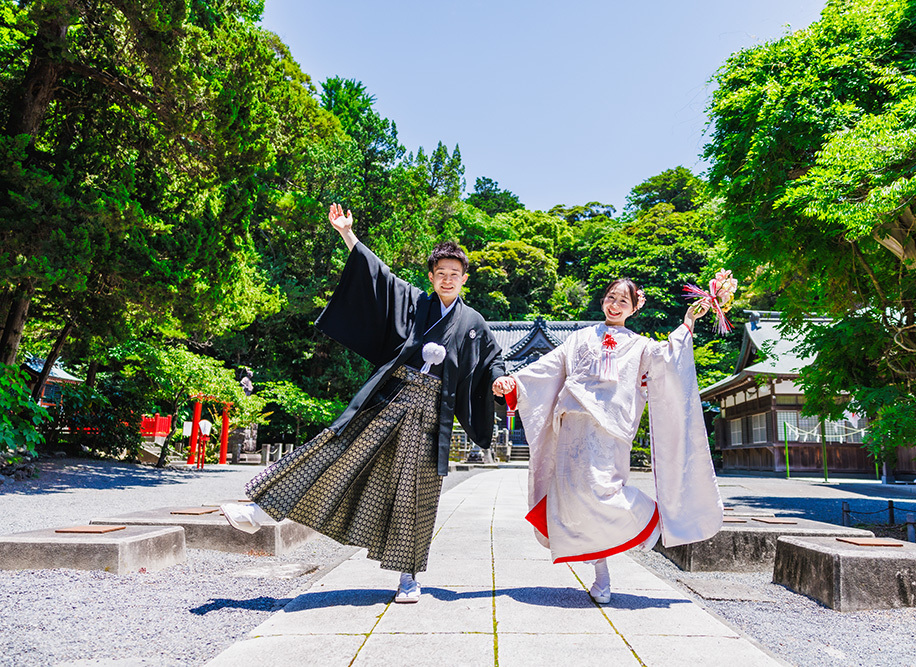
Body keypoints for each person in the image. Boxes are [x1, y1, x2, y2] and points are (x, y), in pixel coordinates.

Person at [242, 203, 506, 604]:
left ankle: (408, 577)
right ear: (431, 277)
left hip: (432, 414)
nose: (448, 279)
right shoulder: (416, 302)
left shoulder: (475, 323)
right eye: (441, 273)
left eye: (455, 274)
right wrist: (348, 234)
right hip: (392, 398)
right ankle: (261, 511)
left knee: (415, 493)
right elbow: (378, 275)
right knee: (336, 450)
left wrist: (501, 378)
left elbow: (492, 361)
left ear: (464, 278)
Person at [491, 279, 723, 604]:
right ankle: (601, 575)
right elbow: (545, 370)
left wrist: (688, 321)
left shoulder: (641, 346)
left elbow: (668, 359)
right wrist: (512, 381)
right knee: (575, 502)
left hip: (611, 433)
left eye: (623, 301)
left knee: (603, 493)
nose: (615, 305)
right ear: (603, 300)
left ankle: (651, 518)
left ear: (635, 307)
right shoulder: (578, 339)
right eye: (611, 298)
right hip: (573, 430)